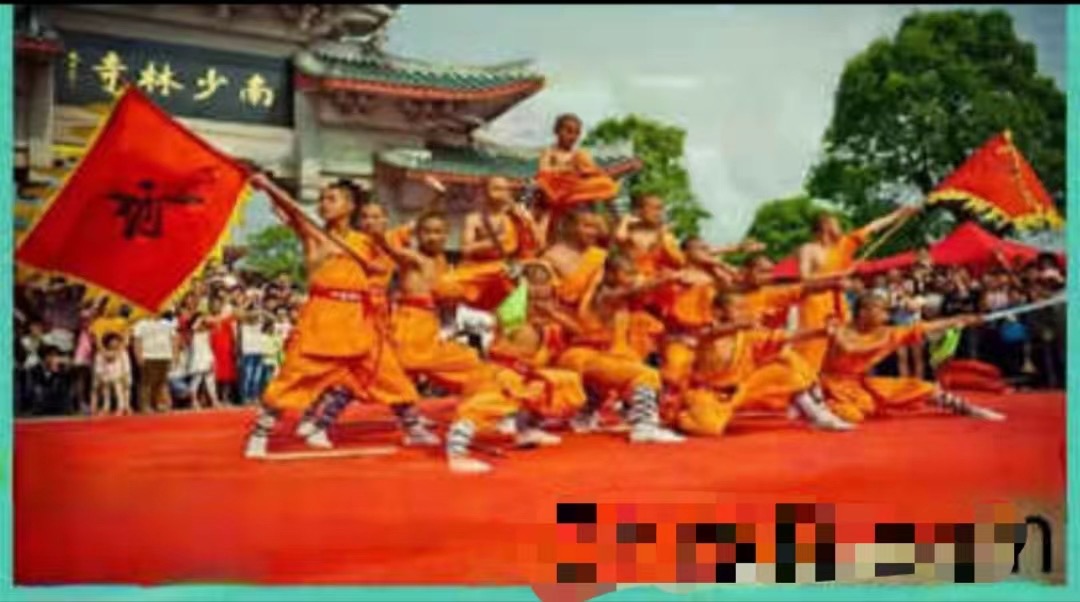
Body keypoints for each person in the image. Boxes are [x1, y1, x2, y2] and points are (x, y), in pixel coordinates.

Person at [243, 175, 438, 458]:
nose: (324, 204)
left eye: (331, 199)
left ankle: (412, 426)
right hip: (323, 317)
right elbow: (291, 208)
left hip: (360, 319)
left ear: (349, 206)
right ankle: (261, 433)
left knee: (388, 373)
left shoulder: (366, 242)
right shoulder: (314, 233)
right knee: (294, 375)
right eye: (322, 199)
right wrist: (268, 186)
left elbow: (404, 235)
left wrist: (431, 199)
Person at [370, 210, 539, 473]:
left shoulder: (443, 263)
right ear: (418, 235)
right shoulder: (413, 259)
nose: (433, 237)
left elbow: (453, 293)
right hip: (409, 328)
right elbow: (392, 250)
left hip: (429, 328)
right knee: (387, 375)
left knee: (473, 369)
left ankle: (491, 415)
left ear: (446, 235)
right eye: (427, 232)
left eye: (438, 232)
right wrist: (382, 234)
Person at [666, 294, 851, 436]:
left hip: (740, 391)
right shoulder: (707, 331)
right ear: (718, 312)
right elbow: (712, 333)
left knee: (789, 365)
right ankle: (681, 413)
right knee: (708, 428)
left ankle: (815, 413)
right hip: (707, 394)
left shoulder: (747, 335)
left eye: (745, 308)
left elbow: (785, 336)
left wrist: (820, 331)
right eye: (738, 308)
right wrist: (741, 325)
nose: (743, 312)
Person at [556, 253, 688, 443]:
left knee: (622, 368)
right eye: (627, 273)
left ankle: (583, 417)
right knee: (646, 374)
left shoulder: (614, 294)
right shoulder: (605, 295)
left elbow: (640, 294)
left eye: (633, 272)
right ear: (610, 274)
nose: (632, 277)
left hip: (599, 356)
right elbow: (634, 291)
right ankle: (644, 427)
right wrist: (666, 279)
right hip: (587, 357)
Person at [819, 293, 1005, 423]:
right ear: (863, 312)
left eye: (886, 310)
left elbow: (927, 327)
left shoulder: (887, 333)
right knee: (853, 414)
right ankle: (814, 408)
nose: (886, 315)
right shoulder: (840, 328)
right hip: (828, 384)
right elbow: (850, 347)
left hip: (859, 384)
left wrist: (961, 319)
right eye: (881, 310)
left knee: (917, 387)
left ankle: (966, 408)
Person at [794, 205, 919, 374]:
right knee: (815, 344)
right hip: (815, 303)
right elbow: (804, 279)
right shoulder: (808, 249)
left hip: (838, 302)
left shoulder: (843, 245)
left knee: (846, 344)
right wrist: (836, 277)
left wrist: (899, 214)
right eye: (836, 223)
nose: (840, 228)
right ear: (825, 225)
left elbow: (872, 227)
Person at [535, 114, 620, 213]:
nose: (573, 137)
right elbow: (543, 172)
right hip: (557, 190)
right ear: (556, 131)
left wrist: (586, 172)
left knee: (606, 183)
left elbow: (593, 171)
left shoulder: (579, 154)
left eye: (576, 133)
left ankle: (614, 215)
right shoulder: (549, 152)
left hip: (575, 189)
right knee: (542, 183)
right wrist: (568, 171)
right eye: (569, 131)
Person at [132, 311, 179, 413]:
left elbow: (174, 340)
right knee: (146, 382)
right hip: (148, 356)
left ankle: (158, 403)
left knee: (161, 382)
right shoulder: (140, 324)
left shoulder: (168, 324)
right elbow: (137, 341)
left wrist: (175, 355)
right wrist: (138, 356)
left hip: (164, 356)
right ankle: (145, 405)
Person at [24, 345, 78, 416]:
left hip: (58, 409)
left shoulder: (62, 371)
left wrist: (57, 373)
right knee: (38, 389)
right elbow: (31, 390)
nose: (55, 359)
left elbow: (65, 391)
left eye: (56, 356)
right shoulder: (34, 371)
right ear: (44, 357)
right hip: (39, 408)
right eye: (52, 356)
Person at [187, 312, 221, 410]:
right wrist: (201, 318)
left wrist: (211, 319)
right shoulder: (194, 332)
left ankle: (215, 401)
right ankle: (194, 402)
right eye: (202, 322)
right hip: (198, 359)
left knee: (210, 381)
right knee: (196, 381)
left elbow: (218, 327)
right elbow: (194, 327)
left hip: (208, 357)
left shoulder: (207, 331)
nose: (203, 323)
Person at [93, 332, 132, 416]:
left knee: (119, 392)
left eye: (116, 341)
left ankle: (121, 407)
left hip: (119, 376)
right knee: (106, 393)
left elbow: (126, 365)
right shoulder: (101, 354)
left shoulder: (123, 353)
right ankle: (106, 407)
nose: (114, 343)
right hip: (106, 376)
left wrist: (126, 375)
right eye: (112, 341)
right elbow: (99, 365)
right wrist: (100, 375)